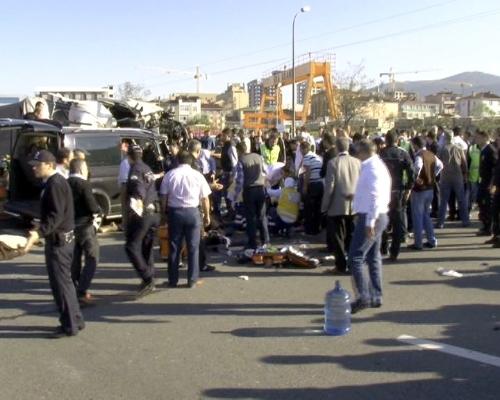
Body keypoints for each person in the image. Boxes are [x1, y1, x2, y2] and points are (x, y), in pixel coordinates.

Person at [22, 150, 84, 338]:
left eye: (37, 164)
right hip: (61, 239)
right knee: (66, 284)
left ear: (49, 165)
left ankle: (69, 325)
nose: (34, 167)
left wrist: (39, 233)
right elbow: (57, 214)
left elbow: (56, 216)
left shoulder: (55, 184)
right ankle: (76, 319)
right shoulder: (53, 182)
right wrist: (41, 224)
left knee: (61, 286)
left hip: (59, 243)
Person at [348, 140, 391, 314]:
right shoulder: (376, 165)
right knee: (373, 257)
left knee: (355, 257)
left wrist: (370, 222)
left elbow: (375, 196)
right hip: (377, 214)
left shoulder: (372, 168)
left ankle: (363, 296)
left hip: (372, 216)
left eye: (357, 152)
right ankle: (375, 295)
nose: (356, 155)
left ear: (363, 152)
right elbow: (372, 193)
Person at [160, 151, 211, 288]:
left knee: (174, 247)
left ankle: (173, 280)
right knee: (193, 247)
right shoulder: (197, 175)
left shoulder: (169, 175)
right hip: (193, 212)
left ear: (178, 161)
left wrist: (163, 213)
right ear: (190, 161)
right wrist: (207, 216)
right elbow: (205, 198)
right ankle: (192, 280)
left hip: (175, 212)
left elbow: (163, 196)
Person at [321, 137, 361, 274]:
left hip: (337, 205)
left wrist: (324, 206)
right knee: (352, 236)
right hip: (354, 205)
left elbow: (329, 187)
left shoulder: (333, 163)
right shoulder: (357, 162)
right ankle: (352, 264)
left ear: (337, 148)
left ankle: (340, 265)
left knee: (338, 237)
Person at [125, 145, 159, 296]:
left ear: (129, 157)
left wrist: (135, 211)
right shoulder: (147, 168)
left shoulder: (135, 169)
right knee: (147, 245)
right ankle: (149, 278)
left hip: (143, 213)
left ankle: (147, 277)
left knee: (131, 246)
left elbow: (139, 190)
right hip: (154, 212)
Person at [67, 159, 100, 305]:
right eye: (86, 168)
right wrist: (99, 211)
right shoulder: (84, 184)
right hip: (85, 226)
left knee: (75, 259)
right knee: (92, 258)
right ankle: (83, 289)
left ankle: (73, 287)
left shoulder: (64, 183)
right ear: (81, 169)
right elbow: (92, 206)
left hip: (70, 226)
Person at [379, 131, 414, 261]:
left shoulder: (381, 154)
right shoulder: (402, 153)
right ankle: (394, 251)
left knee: (383, 219)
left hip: (383, 191)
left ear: (386, 141)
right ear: (397, 141)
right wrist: (408, 188)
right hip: (398, 190)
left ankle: (383, 247)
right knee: (397, 222)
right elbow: (411, 171)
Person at [234, 141, 270, 250]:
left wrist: (235, 196)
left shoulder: (241, 161)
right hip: (260, 189)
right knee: (262, 216)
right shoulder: (258, 157)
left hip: (249, 191)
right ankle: (266, 241)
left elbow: (240, 180)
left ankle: (252, 242)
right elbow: (266, 171)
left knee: (251, 218)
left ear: (239, 151)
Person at [409, 136, 443, 250]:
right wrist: (433, 176)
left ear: (416, 145)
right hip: (430, 188)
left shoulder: (419, 155)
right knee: (426, 215)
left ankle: (418, 243)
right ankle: (432, 240)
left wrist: (416, 178)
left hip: (420, 190)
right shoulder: (431, 154)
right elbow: (440, 165)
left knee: (417, 216)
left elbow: (417, 166)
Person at [436, 130, 469, 228]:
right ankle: (465, 221)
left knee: (443, 201)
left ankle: (441, 222)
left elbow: (437, 163)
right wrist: (465, 174)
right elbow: (464, 163)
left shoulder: (442, 149)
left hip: (445, 176)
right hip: (457, 176)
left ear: (445, 137)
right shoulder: (459, 149)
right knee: (461, 200)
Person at [475, 130, 498, 236]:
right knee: (480, 201)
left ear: (485, 138)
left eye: (478, 137)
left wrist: (492, 183)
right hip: (483, 181)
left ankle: (488, 228)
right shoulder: (483, 150)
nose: (476, 139)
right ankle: (485, 225)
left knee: (487, 204)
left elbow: (494, 169)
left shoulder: (490, 150)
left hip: (488, 183)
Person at [300, 141, 324, 235]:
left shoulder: (307, 157)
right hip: (320, 184)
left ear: (304, 149)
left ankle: (309, 229)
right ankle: (316, 228)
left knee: (309, 208)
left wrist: (305, 186)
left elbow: (307, 172)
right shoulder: (317, 156)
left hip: (313, 184)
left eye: (301, 149)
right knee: (317, 208)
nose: (301, 152)